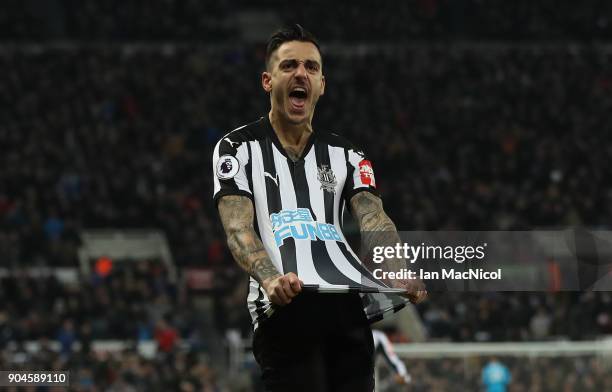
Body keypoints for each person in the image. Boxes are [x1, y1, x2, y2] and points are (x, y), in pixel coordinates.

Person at [213, 24, 427, 392]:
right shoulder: (236, 148)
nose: (301, 73)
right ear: (268, 80)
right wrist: (270, 278)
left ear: (322, 84)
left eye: (311, 67)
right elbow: (237, 227)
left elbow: (373, 216)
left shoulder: (348, 154)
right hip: (285, 305)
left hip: (346, 306)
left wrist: (396, 267)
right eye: (289, 65)